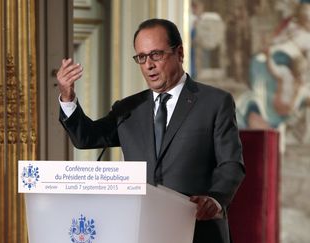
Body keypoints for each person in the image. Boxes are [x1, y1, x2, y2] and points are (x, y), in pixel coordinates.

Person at [57, 18, 245, 243]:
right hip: (141, 232)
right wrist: (67, 97)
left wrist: (215, 200)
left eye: (156, 55)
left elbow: (231, 164)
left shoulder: (215, 102)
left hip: (198, 231)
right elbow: (85, 137)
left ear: (180, 53)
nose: (148, 65)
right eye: (142, 57)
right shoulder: (128, 109)